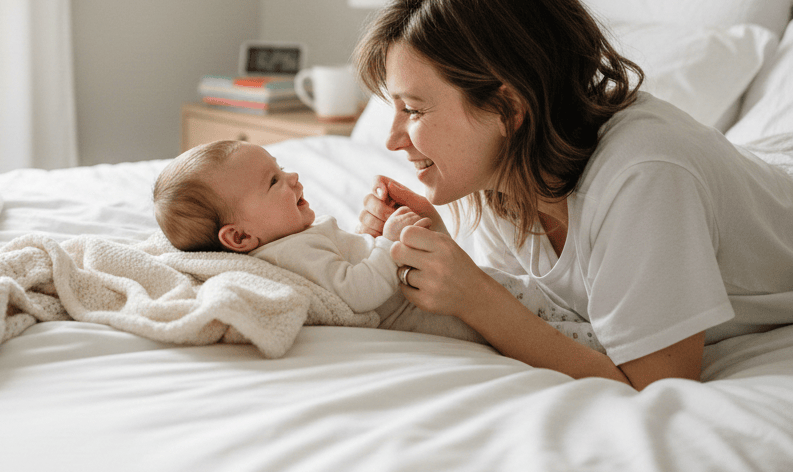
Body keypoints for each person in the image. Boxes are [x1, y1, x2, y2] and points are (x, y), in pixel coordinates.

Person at [354, 0, 793, 390]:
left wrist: (477, 297)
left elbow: (658, 383)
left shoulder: (645, 175)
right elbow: (547, 313)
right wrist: (444, 255)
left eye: (412, 110)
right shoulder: (499, 173)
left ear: (507, 107)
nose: (393, 140)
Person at [152, 139, 604, 350]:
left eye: (281, 166)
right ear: (240, 237)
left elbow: (347, 267)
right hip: (435, 315)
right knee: (535, 315)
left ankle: (592, 327)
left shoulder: (292, 241)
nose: (291, 177)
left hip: (433, 293)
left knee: (530, 300)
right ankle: (598, 344)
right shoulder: (289, 252)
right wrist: (387, 244)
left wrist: (374, 241)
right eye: (273, 182)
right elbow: (357, 292)